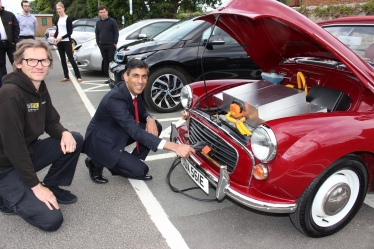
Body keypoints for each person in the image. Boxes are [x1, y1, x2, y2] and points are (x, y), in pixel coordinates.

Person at [0, 39, 83, 231]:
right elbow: (14, 147)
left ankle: (52, 184)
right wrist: (36, 186)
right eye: (32, 61)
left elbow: (50, 121)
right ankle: (6, 196)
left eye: (44, 61)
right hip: (4, 167)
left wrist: (64, 132)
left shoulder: (39, 86)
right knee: (51, 220)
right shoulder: (10, 95)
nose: (39, 66)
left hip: (25, 155)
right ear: (19, 63)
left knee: (74, 139)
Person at [82, 59, 194, 184]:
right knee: (140, 171)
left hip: (118, 131)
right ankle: (94, 162)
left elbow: (141, 112)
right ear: (126, 76)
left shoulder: (133, 89)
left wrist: (149, 118)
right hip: (102, 142)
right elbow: (134, 131)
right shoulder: (115, 98)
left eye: (144, 76)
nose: (140, 81)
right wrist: (176, 147)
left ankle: (132, 160)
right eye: (135, 76)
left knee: (155, 126)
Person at [52, 2, 82, 83]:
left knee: (71, 59)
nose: (59, 10)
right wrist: (54, 37)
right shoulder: (58, 19)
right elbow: (58, 30)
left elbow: (70, 32)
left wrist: (62, 37)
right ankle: (66, 76)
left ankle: (78, 76)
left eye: (60, 8)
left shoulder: (68, 18)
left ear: (63, 8)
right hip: (59, 42)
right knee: (62, 59)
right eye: (57, 9)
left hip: (66, 41)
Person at [95, 5, 118, 84]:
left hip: (111, 45)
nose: (102, 14)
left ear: (107, 12)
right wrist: (98, 43)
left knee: (111, 62)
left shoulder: (112, 21)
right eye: (101, 12)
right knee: (105, 62)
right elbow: (97, 34)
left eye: (104, 12)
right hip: (102, 45)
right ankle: (108, 77)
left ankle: (113, 78)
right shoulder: (98, 23)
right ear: (99, 13)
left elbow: (116, 33)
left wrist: (115, 42)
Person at [0, 0, 19, 83]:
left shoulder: (9, 15)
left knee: (15, 62)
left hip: (10, 43)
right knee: (1, 65)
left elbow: (16, 28)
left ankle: (19, 79)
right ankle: (5, 81)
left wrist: (14, 40)